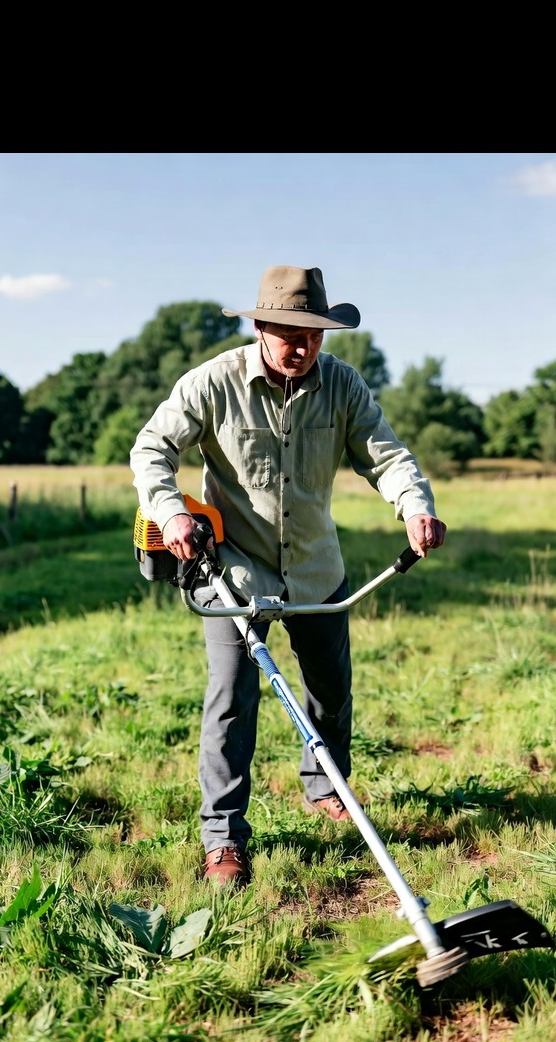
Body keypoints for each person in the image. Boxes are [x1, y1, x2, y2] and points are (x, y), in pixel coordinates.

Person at [130, 265, 446, 886]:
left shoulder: (343, 387)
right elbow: (152, 448)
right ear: (260, 326)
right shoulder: (215, 382)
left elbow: (386, 456)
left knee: (330, 691)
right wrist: (169, 512)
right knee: (231, 703)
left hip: (315, 570)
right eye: (288, 334)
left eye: (314, 336)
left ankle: (325, 787)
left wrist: (417, 507)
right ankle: (223, 837)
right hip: (232, 576)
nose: (301, 348)